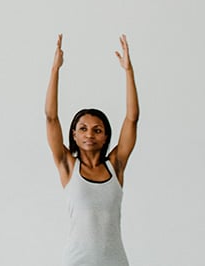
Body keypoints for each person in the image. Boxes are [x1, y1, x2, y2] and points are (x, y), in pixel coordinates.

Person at [45, 34, 139, 266]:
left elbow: (132, 119)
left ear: (106, 136)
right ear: (74, 135)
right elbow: (50, 118)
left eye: (97, 130)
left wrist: (128, 71)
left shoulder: (115, 165)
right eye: (83, 129)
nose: (89, 134)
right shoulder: (68, 166)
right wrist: (55, 69)